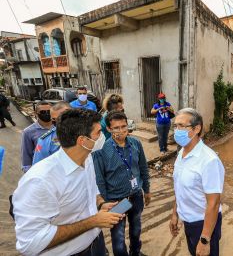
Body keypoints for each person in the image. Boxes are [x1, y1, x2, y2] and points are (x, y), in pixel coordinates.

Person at [13, 109, 123, 256]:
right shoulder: (40, 181)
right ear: (82, 141)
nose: (102, 136)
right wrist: (93, 221)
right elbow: (30, 243)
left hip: (96, 244)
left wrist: (101, 203)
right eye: (98, 132)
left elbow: (90, 187)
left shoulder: (87, 158)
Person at [93, 110, 151, 256]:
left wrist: (147, 190)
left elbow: (143, 167)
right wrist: (105, 203)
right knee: (118, 239)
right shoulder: (102, 151)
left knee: (136, 230)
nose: (121, 131)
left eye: (124, 126)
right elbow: (100, 180)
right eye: (116, 128)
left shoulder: (136, 143)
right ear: (108, 129)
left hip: (136, 196)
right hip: (116, 202)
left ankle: (135, 252)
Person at [169, 108, 225, 256]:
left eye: (181, 126)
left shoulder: (209, 160)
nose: (177, 130)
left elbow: (214, 203)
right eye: (175, 126)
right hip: (188, 221)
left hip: (204, 224)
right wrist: (175, 214)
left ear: (196, 128)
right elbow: (179, 187)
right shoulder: (182, 152)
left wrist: (205, 239)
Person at [21, 101, 52, 172]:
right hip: (41, 170)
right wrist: (30, 172)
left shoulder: (59, 127)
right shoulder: (28, 132)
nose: (47, 114)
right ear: (36, 113)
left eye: (49, 111)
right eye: (43, 112)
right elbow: (26, 156)